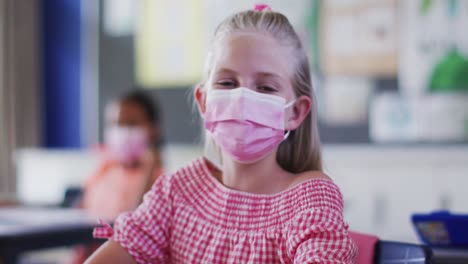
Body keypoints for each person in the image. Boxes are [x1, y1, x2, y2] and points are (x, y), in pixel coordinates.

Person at [86, 5, 356, 263]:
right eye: (227, 83)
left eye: (265, 88)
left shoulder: (310, 199)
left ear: (296, 112)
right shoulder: (177, 193)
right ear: (204, 102)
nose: (241, 99)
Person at [70, 90, 164, 263]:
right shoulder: (104, 169)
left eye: (132, 123)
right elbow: (78, 216)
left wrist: (151, 167)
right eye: (116, 124)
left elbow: (138, 229)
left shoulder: (160, 180)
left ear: (153, 129)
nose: (123, 131)